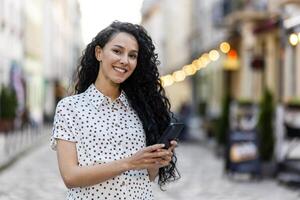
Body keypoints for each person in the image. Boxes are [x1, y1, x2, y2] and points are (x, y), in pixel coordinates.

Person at [50, 21, 180, 200]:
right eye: (117, 51)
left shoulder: (141, 110)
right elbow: (70, 177)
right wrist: (129, 163)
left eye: (132, 55)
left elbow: (147, 176)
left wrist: (155, 162)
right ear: (99, 53)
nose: (125, 61)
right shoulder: (70, 108)